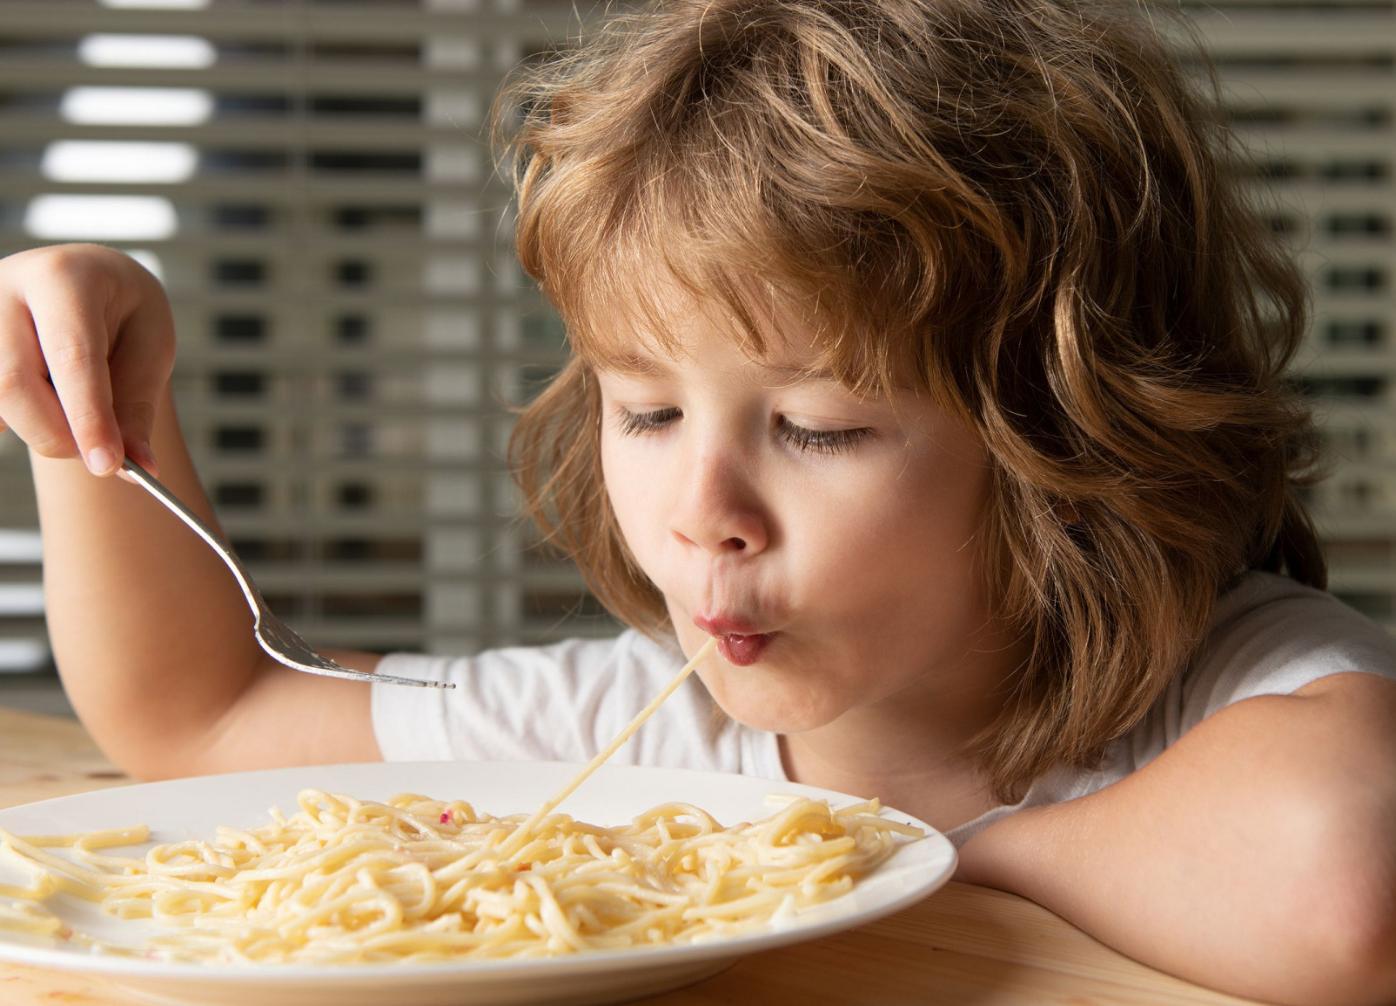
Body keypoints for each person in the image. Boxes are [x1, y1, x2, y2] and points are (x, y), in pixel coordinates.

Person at [1, 0, 1393, 1001]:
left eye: (817, 425)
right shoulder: (632, 733)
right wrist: (91, 424)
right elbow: (203, 715)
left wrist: (920, 851)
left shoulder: (1230, 681)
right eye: (648, 411)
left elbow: (1350, 878)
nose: (699, 508)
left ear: (1067, 450)